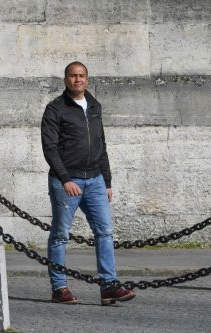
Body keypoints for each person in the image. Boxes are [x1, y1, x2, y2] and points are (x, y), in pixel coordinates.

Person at [41, 61, 136, 305]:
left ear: (87, 78)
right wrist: (65, 179)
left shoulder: (94, 106)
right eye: (73, 76)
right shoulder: (55, 109)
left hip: (95, 180)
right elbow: (50, 149)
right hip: (67, 182)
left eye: (81, 75)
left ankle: (109, 286)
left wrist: (107, 180)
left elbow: (101, 144)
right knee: (61, 235)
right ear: (65, 79)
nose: (77, 80)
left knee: (104, 232)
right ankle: (59, 288)